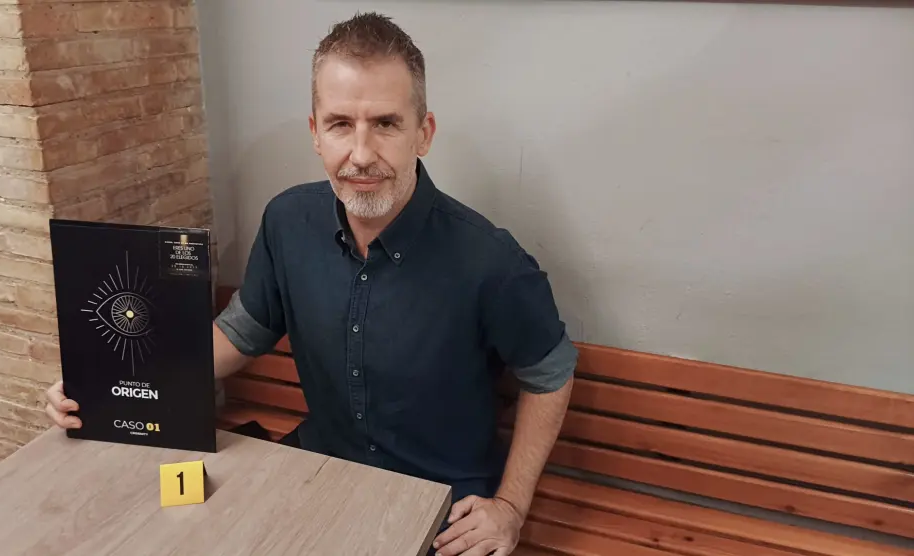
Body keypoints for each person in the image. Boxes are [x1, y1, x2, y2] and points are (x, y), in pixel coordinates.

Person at [45, 12, 575, 556]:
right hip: (319, 471)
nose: (362, 154)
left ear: (424, 133)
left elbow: (551, 373)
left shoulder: (489, 259)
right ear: (315, 133)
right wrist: (110, 384)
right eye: (341, 124)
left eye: (386, 124)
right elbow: (239, 333)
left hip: (442, 506)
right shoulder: (287, 222)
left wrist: (510, 507)